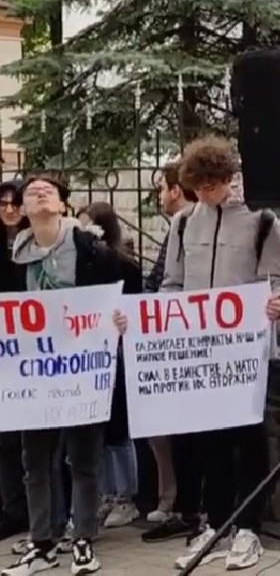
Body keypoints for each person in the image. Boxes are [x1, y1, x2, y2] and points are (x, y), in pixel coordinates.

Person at [160, 137, 280, 571]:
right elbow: (171, 286)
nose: (206, 196)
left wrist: (279, 304)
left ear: (227, 180)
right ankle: (216, 522)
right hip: (200, 350)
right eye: (198, 189)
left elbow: (279, 282)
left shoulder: (261, 221)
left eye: (212, 187)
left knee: (249, 438)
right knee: (208, 440)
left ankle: (249, 527)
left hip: (246, 351)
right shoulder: (182, 225)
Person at [1, 175, 129, 576]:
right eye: (31, 192)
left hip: (80, 371)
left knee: (83, 460)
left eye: (48, 191)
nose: (40, 194)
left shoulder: (88, 249)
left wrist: (121, 317)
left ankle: (83, 541)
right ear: (21, 210)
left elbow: (128, 281)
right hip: (34, 379)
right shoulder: (12, 259)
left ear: (62, 205)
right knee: (35, 462)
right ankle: (42, 543)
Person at [77, 203, 145, 530]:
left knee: (119, 429)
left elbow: (132, 306)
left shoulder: (124, 266)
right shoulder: (82, 266)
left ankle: (126, 496)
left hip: (115, 352)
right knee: (98, 432)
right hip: (90, 353)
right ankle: (106, 492)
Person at [139, 161, 194, 541]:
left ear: (177, 189)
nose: (160, 196)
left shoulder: (187, 224)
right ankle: (174, 499)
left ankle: (181, 502)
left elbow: (165, 279)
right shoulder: (180, 226)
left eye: (163, 188)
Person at [0, 181, 30, 543]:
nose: (9, 209)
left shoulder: (31, 246)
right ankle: (10, 505)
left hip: (28, 352)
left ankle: (24, 510)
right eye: (4, 202)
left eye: (15, 203)